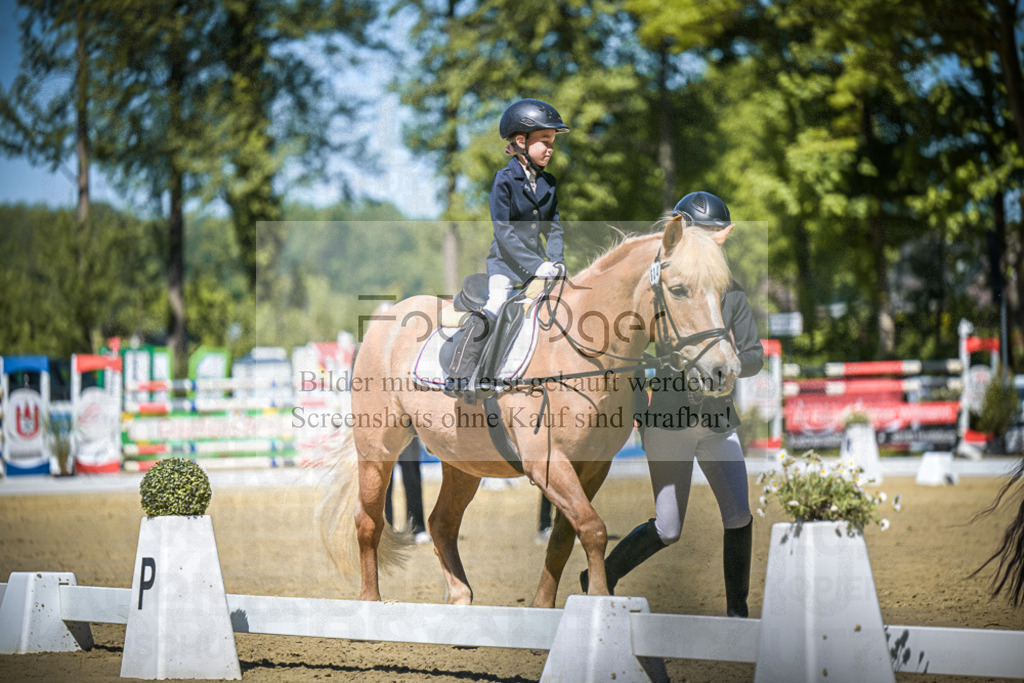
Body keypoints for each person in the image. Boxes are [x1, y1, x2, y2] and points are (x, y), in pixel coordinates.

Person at [581, 191, 764, 618]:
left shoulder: (730, 294)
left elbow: (754, 354)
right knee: (669, 528)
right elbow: (635, 346)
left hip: (717, 420)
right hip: (667, 418)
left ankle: (737, 613)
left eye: (714, 236)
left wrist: (735, 361)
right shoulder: (663, 289)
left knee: (739, 515)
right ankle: (600, 577)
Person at [446, 98, 570, 393]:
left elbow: (554, 227)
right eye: (544, 141)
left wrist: (556, 260)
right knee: (497, 303)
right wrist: (537, 264)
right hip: (505, 265)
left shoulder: (549, 183)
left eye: (552, 141)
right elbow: (504, 234)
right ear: (521, 141)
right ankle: (460, 374)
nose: (550, 148)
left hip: (538, 267)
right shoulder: (504, 180)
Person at [385, 437, 431, 543]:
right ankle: (386, 530)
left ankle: (417, 528)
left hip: (408, 430)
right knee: (384, 483)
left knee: (412, 477)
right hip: (384, 431)